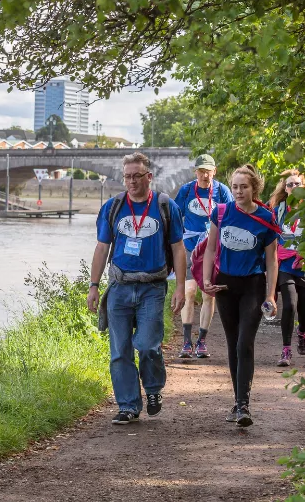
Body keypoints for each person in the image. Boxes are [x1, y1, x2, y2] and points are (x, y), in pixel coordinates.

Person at [87, 152, 186, 425]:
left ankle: (153, 389)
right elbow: (101, 247)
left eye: (136, 176)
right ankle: (128, 405)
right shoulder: (113, 207)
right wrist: (94, 286)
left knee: (147, 345)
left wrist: (179, 287)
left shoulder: (166, 207)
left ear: (149, 177)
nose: (131, 181)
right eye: (127, 176)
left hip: (152, 288)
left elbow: (178, 248)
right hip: (119, 287)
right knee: (120, 350)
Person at [203, 164, 279, 427]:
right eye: (234, 187)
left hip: (253, 286)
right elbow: (211, 249)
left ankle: (243, 406)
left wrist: (271, 295)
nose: (238, 191)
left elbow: (272, 261)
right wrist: (206, 281)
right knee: (232, 341)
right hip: (225, 286)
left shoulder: (266, 218)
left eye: (243, 187)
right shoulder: (221, 212)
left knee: (244, 342)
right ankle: (237, 402)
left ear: (254, 188)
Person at [174, 154, 233, 358]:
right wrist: (175, 242)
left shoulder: (222, 191)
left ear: (214, 171)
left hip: (213, 249)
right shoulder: (187, 190)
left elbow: (232, 216)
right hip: (190, 247)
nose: (204, 174)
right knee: (189, 291)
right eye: (201, 170)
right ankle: (187, 342)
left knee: (208, 294)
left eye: (208, 170)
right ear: (196, 172)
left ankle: (202, 342)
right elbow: (174, 216)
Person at [269, 169, 305, 367]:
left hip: (304, 264)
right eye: (289, 184)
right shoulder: (277, 211)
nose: (293, 187)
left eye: (297, 184)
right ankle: (286, 349)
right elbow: (269, 238)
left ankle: (302, 333)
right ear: (285, 188)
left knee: (303, 309)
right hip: (285, 265)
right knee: (290, 305)